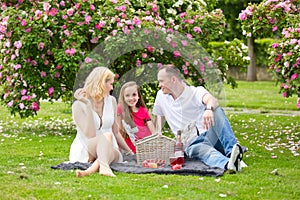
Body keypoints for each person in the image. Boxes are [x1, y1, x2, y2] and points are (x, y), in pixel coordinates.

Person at [152, 65, 244, 173]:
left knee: (216, 110)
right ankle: (229, 164)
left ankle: (233, 152)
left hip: (210, 135)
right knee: (206, 153)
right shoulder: (161, 96)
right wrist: (152, 140)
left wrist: (209, 109)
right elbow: (158, 122)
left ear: (173, 80)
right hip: (191, 143)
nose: (159, 85)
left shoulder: (195, 91)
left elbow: (212, 100)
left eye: (162, 81)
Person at [69, 67, 133, 177]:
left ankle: (92, 170)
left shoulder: (111, 101)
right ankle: (103, 166)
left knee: (111, 144)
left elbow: (116, 132)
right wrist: (88, 106)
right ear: (101, 83)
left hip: (109, 149)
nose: (112, 88)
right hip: (87, 148)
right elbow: (90, 135)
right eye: (110, 84)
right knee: (107, 135)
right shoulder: (79, 106)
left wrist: (130, 152)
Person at [117, 81, 156, 153]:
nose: (131, 98)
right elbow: (118, 130)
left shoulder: (144, 111)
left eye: (134, 95)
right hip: (130, 148)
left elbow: (152, 130)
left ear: (138, 96)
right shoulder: (121, 108)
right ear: (123, 97)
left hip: (144, 146)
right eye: (127, 95)